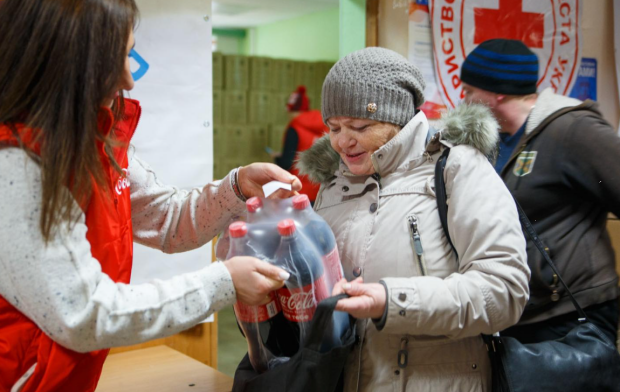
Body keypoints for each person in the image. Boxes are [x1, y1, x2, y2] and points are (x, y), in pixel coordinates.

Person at [0, 0, 301, 391]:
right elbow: (86, 314)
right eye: (118, 60)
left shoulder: (96, 141)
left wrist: (236, 187)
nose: (129, 80)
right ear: (70, 62)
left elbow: (168, 219)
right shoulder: (16, 167)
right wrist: (222, 282)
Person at [297, 47, 530, 391]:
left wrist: (392, 301)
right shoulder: (333, 183)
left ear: (397, 117)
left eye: (360, 126)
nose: (343, 141)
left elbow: (504, 291)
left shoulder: (456, 169)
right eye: (333, 127)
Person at [460, 38, 620, 343]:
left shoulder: (573, 129)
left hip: (571, 313)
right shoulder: (490, 139)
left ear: (498, 91)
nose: (463, 99)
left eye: (469, 91)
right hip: (515, 310)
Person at [273, 85, 327, 203]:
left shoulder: (295, 128)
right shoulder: (326, 126)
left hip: (299, 191)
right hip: (322, 191)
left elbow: (287, 162)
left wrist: (277, 158)